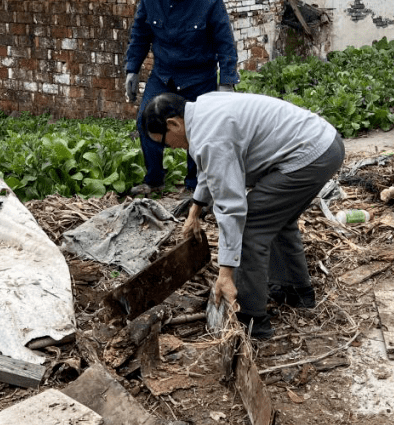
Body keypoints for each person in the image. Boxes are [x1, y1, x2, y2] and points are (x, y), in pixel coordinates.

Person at [142, 91, 345, 339]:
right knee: (276, 217)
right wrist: (195, 208)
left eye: (164, 141)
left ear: (173, 124)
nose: (169, 147)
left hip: (309, 156)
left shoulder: (209, 136)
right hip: (325, 144)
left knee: (252, 226)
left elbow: (231, 206)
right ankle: (296, 290)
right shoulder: (204, 110)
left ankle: (251, 318)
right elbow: (212, 166)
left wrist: (225, 274)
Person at [125, 0, 238, 195]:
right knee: (146, 121)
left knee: (198, 131)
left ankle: (194, 186)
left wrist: (227, 81)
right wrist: (132, 69)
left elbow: (225, 44)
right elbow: (140, 35)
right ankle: (154, 180)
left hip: (199, 77)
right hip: (163, 75)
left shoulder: (210, 0)